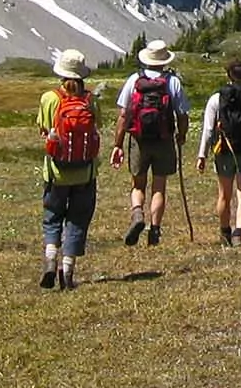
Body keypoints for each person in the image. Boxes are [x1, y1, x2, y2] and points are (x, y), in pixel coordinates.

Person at [111, 40, 190, 248]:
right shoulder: (172, 82)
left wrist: (118, 144)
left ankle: (137, 213)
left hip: (138, 139)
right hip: (163, 139)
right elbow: (182, 115)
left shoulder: (135, 79)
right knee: (159, 185)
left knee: (138, 183)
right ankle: (155, 229)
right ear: (164, 61)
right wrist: (181, 135)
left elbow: (123, 114)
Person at [38, 49, 101, 290]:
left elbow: (44, 128)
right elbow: (97, 126)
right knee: (77, 219)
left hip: (55, 171)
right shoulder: (90, 99)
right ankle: (68, 271)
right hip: (85, 172)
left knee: (53, 216)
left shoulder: (49, 98)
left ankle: (51, 260)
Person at [195, 59, 241, 246]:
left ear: (228, 76)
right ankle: (239, 234)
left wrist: (202, 155)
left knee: (224, 195)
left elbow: (208, 129)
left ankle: (224, 232)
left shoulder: (217, 98)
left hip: (223, 150)